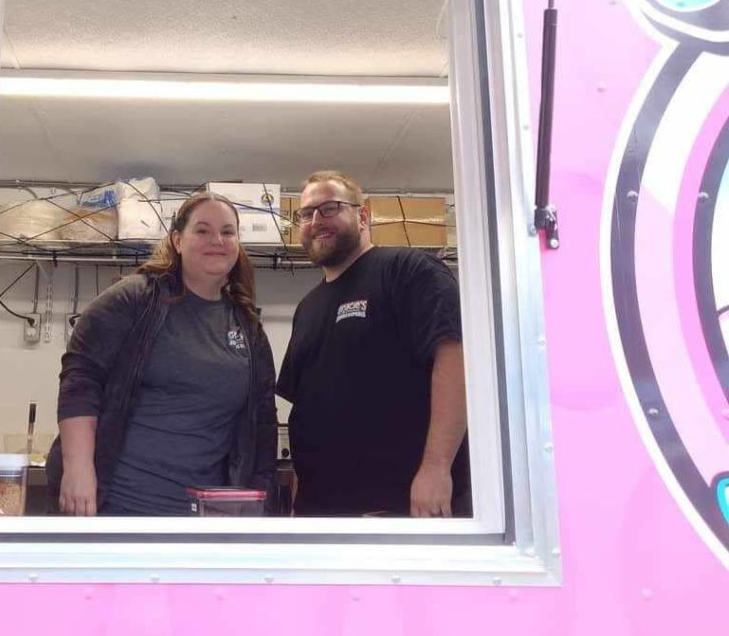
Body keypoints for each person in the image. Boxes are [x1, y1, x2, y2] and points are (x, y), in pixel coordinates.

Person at [46, 193, 277, 516]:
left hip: (204, 517)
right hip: (117, 506)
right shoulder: (135, 299)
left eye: (228, 231)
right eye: (202, 230)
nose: (217, 240)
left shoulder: (248, 327)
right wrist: (77, 469)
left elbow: (262, 424)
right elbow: (80, 380)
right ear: (177, 240)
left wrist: (260, 506)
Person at [276, 170, 471, 517]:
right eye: (306, 213)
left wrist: (436, 469)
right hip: (323, 510)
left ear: (363, 216)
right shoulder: (307, 307)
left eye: (330, 208)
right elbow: (305, 410)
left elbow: (455, 359)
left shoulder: (409, 271)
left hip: (400, 504)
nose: (316, 220)